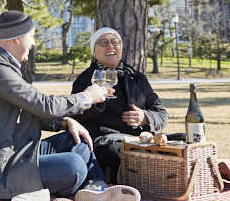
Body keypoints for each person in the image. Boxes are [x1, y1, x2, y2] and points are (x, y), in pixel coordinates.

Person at [0, 11, 141, 201]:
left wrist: (65, 122)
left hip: (13, 151)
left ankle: (97, 190)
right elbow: (43, 104)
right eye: (31, 36)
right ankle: (88, 187)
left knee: (76, 139)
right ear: (17, 38)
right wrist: (87, 97)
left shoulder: (3, 66)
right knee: (74, 165)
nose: (34, 43)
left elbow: (29, 111)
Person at [71, 27, 169, 183]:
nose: (110, 46)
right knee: (117, 152)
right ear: (94, 51)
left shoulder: (137, 78)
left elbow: (161, 114)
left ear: (121, 48)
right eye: (103, 43)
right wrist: (95, 103)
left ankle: (165, 180)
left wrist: (145, 118)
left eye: (115, 42)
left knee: (183, 141)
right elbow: (76, 117)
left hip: (142, 138)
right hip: (108, 141)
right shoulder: (85, 80)